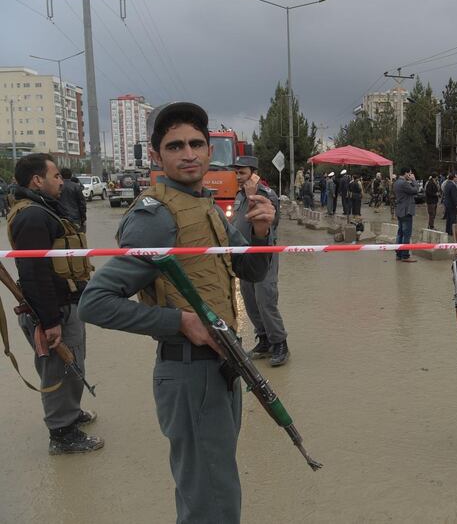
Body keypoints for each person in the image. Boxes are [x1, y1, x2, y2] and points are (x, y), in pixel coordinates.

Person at [78, 102, 275, 523]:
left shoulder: (207, 208)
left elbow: (252, 270)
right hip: (190, 373)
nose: (189, 153)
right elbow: (95, 302)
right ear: (156, 156)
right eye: (175, 145)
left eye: (196, 144)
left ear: (209, 151)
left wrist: (262, 232)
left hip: (221, 365)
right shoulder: (156, 217)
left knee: (213, 486)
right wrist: (179, 321)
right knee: (211, 500)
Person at [7, 153, 102, 455]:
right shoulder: (33, 216)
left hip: (62, 304)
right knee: (58, 369)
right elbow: (33, 273)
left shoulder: (41, 210)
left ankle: (70, 414)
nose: (62, 181)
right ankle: (62, 434)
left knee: (70, 363)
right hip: (52, 309)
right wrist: (50, 321)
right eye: (56, 176)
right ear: (37, 180)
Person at [231, 156, 290, 366]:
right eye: (236, 172)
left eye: (242, 172)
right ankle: (264, 339)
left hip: (264, 254)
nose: (238, 177)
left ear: (254, 173)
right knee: (249, 299)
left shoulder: (266, 195)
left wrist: (253, 195)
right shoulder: (239, 195)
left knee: (265, 298)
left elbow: (271, 224)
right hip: (244, 255)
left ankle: (280, 342)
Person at [394, 167, 417, 262]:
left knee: (400, 233)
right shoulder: (403, 183)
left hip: (400, 210)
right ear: (406, 173)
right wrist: (414, 180)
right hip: (406, 211)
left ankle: (399, 254)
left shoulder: (397, 182)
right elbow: (415, 190)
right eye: (410, 173)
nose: (411, 175)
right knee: (406, 234)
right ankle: (405, 255)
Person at [58, 167, 87, 233]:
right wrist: (83, 218)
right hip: (75, 218)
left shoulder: (58, 186)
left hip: (61, 218)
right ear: (71, 175)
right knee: (78, 239)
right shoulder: (76, 186)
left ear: (61, 176)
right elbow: (82, 203)